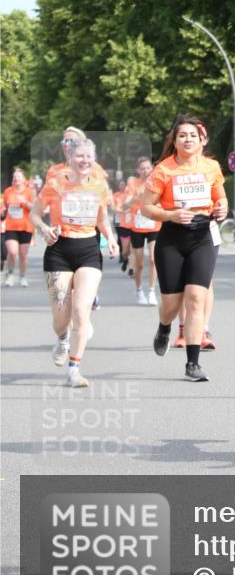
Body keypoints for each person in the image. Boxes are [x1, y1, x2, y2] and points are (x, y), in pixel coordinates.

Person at [140, 115, 227, 382]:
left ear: (202, 141)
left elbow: (220, 197)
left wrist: (222, 207)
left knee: (196, 298)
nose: (188, 139)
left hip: (203, 236)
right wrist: (171, 215)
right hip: (173, 237)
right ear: (174, 141)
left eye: (192, 135)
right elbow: (146, 207)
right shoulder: (163, 170)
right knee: (171, 303)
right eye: (182, 135)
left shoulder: (211, 167)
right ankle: (164, 327)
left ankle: (192, 363)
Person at [30, 138, 118, 388]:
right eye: (79, 156)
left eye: (88, 157)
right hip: (59, 250)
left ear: (94, 159)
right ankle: (62, 337)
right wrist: (45, 229)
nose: (84, 161)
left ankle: (74, 369)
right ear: (69, 158)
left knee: (81, 310)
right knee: (61, 318)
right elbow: (35, 213)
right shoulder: (55, 184)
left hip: (89, 249)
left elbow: (102, 218)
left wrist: (110, 239)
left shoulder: (99, 186)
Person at [123, 157, 161, 305]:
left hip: (154, 225)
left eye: (148, 168)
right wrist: (137, 198)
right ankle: (139, 290)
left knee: (153, 259)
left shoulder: (157, 183)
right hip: (137, 226)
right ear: (138, 170)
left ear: (152, 168)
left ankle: (151, 291)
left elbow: (163, 201)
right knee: (139, 264)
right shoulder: (133, 184)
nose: (146, 171)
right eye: (142, 168)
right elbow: (125, 206)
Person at [2, 168, 36, 287]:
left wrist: (25, 202)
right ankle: (10, 274)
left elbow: (35, 209)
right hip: (11, 227)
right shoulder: (8, 191)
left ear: (23, 179)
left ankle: (23, 277)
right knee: (12, 252)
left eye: (19, 177)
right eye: (15, 177)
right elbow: (5, 206)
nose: (16, 179)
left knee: (23, 254)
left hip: (26, 227)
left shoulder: (29, 193)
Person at [112, 180, 133, 272]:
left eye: (124, 184)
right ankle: (124, 258)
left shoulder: (132, 195)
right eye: (121, 185)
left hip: (133, 224)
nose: (123, 186)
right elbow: (113, 207)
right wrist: (118, 210)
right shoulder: (116, 195)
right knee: (120, 240)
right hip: (119, 221)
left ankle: (131, 267)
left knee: (133, 248)